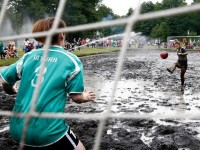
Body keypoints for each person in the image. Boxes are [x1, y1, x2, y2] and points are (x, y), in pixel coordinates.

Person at [0, 17, 96, 150]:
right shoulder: (71, 61)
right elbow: (76, 97)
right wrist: (85, 96)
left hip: (18, 129)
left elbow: (4, 81)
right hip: (49, 130)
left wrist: (11, 90)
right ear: (62, 34)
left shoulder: (28, 57)